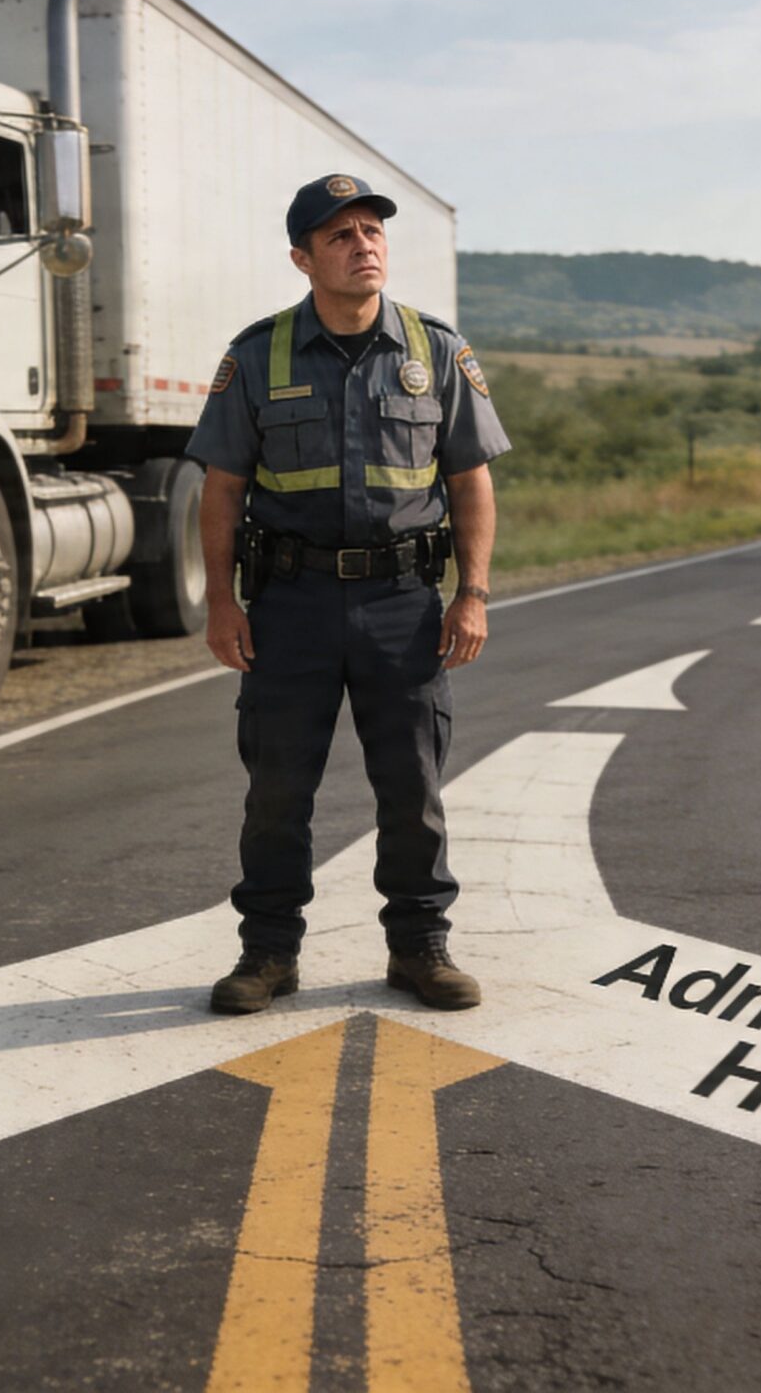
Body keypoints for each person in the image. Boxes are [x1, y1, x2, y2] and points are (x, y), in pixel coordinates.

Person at [184, 174, 510, 1015]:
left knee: (413, 784)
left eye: (372, 231)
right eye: (340, 236)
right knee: (279, 787)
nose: (363, 245)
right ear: (303, 259)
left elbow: (470, 482)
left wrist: (470, 594)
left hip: (403, 601)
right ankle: (268, 955)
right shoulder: (258, 355)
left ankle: (419, 948)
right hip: (290, 603)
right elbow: (221, 489)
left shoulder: (434, 350)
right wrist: (221, 603)